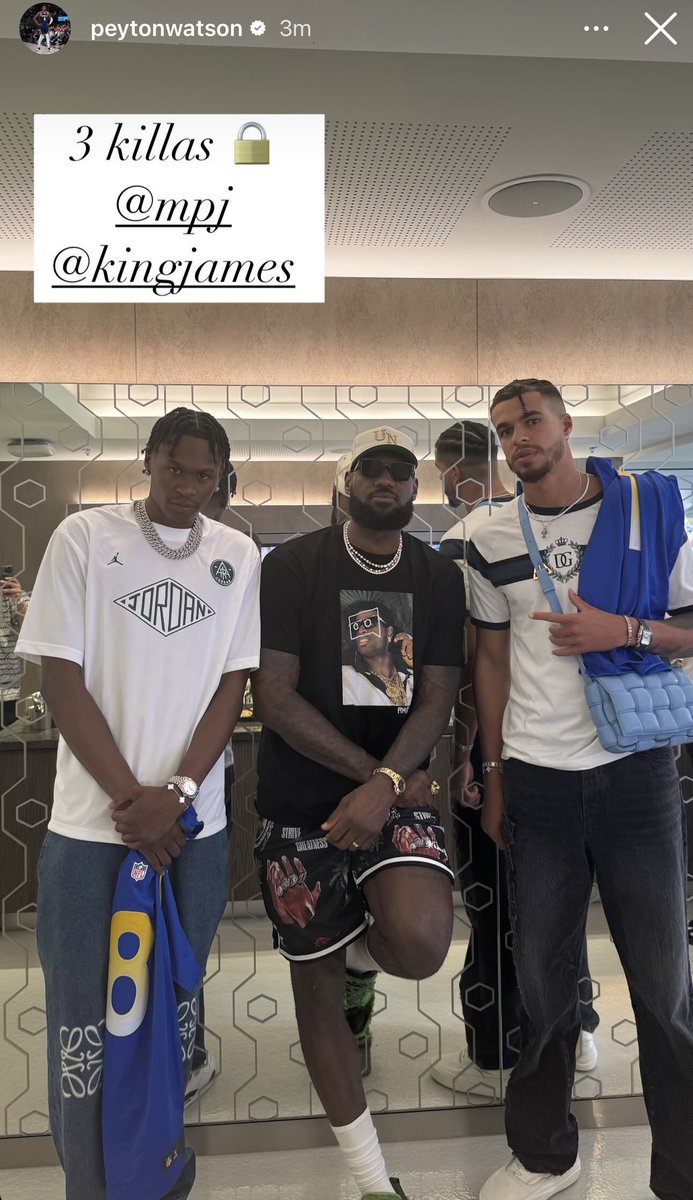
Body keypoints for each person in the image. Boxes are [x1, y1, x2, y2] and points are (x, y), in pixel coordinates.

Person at [16, 408, 260, 1200]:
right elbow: (61, 678)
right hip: (94, 829)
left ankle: (162, 1175)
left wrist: (180, 797)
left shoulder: (236, 553)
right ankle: (91, 1185)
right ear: (148, 461)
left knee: (172, 1016)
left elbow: (232, 684)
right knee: (85, 1020)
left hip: (195, 829)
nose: (190, 488)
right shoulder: (85, 538)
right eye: (178, 470)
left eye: (206, 476)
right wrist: (133, 801)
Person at [467, 379, 693, 1200]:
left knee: (665, 992)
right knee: (542, 985)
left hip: (634, 775)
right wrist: (491, 776)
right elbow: (489, 663)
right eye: (503, 430)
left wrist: (624, 631)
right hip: (537, 784)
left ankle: (682, 1168)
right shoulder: (487, 536)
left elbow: (689, 632)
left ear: (565, 425)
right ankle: (540, 1157)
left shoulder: (642, 513)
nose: (518, 438)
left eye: (530, 421)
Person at [253, 426, 466, 1200]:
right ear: (347, 486)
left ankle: (357, 957)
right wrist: (367, 778)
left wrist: (384, 784)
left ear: (416, 490)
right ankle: (371, 1178)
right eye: (371, 472)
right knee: (314, 991)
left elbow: (438, 694)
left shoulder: (436, 578)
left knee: (417, 943)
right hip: (302, 797)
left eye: (400, 474)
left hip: (399, 788)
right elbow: (271, 694)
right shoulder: (293, 565)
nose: (388, 483)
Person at [432, 421, 599, 1090]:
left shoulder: (464, 542)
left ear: (451, 469)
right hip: (566, 746)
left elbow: (475, 660)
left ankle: (500, 1047)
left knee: (497, 902)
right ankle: (578, 1030)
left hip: (496, 749)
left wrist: (467, 754)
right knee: (560, 901)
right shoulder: (561, 530)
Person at [185, 462, 241, 1108]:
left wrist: (181, 784)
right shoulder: (103, 545)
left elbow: (238, 679)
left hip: (204, 782)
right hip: (116, 791)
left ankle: (186, 1049)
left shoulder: (234, 564)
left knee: (187, 927)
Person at [0, 569, 30, 728]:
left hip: (5, 690)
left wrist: (18, 602)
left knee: (6, 749)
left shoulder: (8, 592)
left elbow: (33, 627)